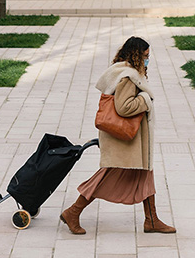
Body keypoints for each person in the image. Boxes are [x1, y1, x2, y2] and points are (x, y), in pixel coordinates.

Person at [60, 36, 175, 235]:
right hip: (124, 141)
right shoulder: (128, 78)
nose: (148, 60)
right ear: (137, 56)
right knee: (106, 176)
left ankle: (152, 220)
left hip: (133, 142)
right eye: (146, 56)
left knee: (145, 174)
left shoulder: (125, 72)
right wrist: (145, 99)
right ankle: (73, 211)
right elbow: (123, 108)